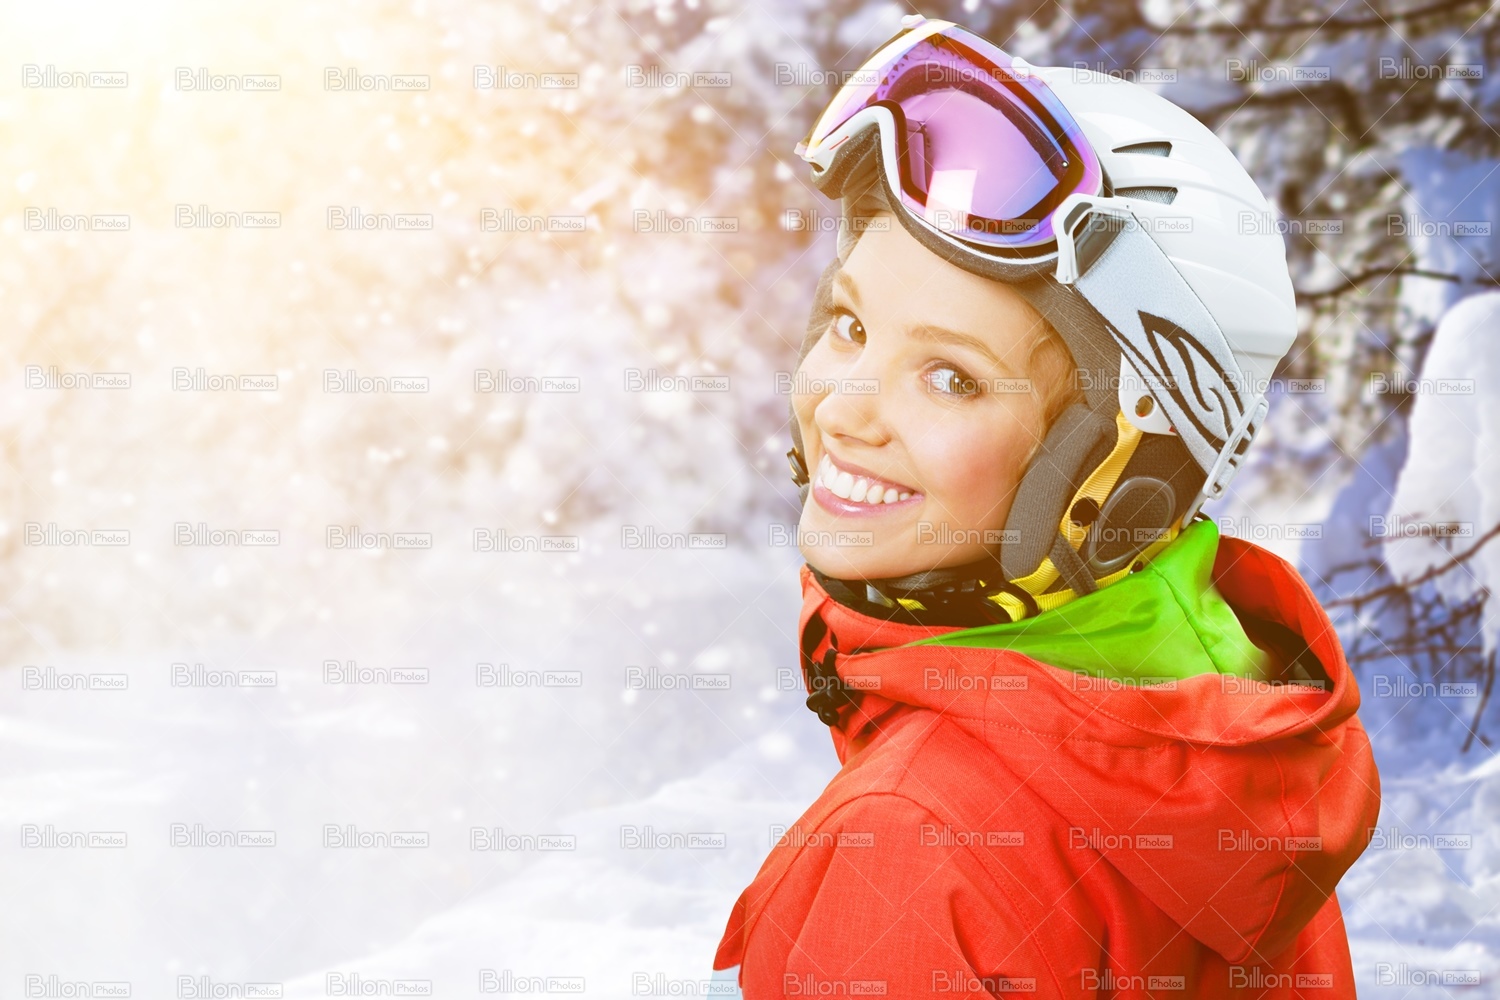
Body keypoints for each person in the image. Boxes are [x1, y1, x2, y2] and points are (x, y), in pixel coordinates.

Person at [710, 16, 1380, 999]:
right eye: (849, 324)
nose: (843, 408)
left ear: (1115, 468)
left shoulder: (905, 848)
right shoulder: (1231, 749)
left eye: (951, 378)